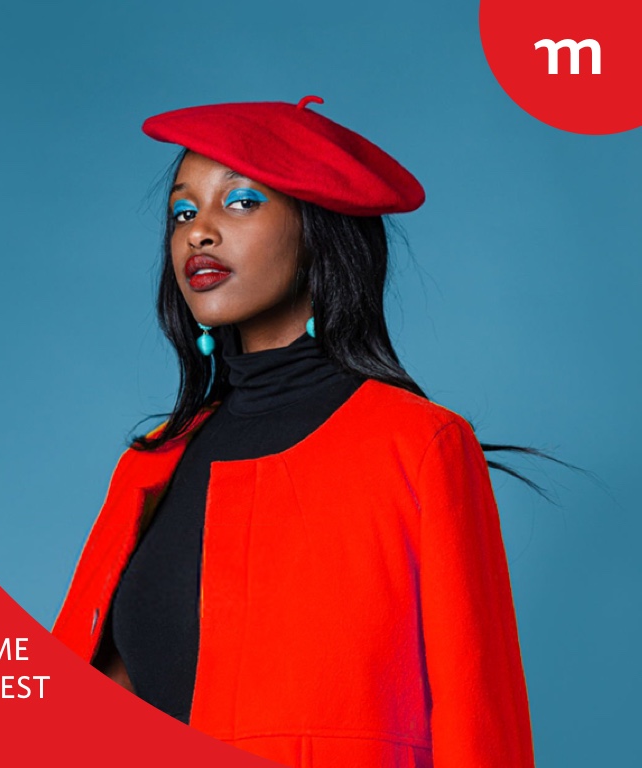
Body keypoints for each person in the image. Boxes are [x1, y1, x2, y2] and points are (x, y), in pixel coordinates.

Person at [52, 96, 535, 768]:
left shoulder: (420, 447)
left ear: (317, 232)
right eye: (183, 212)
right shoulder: (150, 463)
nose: (199, 232)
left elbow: (481, 726)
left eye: (241, 202)